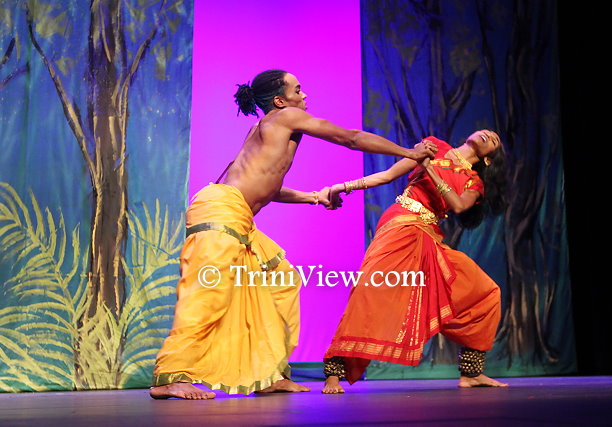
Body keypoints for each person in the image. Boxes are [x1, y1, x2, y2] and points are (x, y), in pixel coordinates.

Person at [149, 69, 436, 399]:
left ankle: (268, 374)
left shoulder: (267, 128)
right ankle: (169, 376)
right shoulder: (286, 117)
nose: (304, 95)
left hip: (237, 216)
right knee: (208, 292)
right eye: (297, 90)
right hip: (221, 211)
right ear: (280, 101)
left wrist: (314, 197)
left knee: (279, 282)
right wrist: (409, 153)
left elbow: (266, 186)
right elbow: (350, 138)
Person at [321, 130, 509, 393]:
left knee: (485, 293)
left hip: (429, 237)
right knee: (369, 291)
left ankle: (472, 373)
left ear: (488, 159)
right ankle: (334, 372)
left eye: (495, 140)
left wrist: (429, 168)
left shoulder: (474, 182)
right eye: (488, 131)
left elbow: (457, 206)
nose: (489, 134)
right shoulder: (434, 146)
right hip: (400, 224)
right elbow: (387, 176)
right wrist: (341, 187)